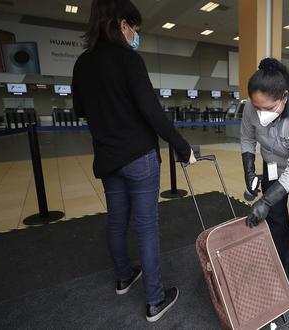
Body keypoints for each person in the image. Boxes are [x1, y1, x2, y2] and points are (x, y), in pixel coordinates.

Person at [72, 0, 196, 322]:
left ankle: (124, 277)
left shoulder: (82, 64)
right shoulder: (129, 59)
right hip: (139, 156)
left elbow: (80, 110)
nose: (135, 35)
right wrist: (181, 145)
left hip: (108, 158)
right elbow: (152, 111)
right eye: (135, 28)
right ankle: (154, 300)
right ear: (122, 24)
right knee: (146, 227)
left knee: (117, 219)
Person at [241, 58, 289, 307]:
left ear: (284, 97)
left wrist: (264, 200)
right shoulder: (251, 107)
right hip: (272, 167)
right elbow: (246, 138)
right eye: (257, 107)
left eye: (268, 108)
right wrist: (249, 171)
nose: (260, 113)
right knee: (275, 219)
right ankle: (277, 263)